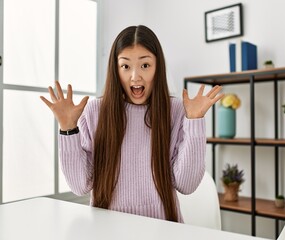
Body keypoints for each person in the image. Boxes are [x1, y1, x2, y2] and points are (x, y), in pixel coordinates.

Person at [40, 25, 223, 222]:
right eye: (125, 66)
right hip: (108, 229)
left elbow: (187, 185)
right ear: (115, 69)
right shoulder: (95, 111)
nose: (135, 76)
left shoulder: (176, 110)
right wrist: (68, 130)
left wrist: (194, 122)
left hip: (163, 230)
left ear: (157, 67)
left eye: (145, 65)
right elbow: (79, 186)